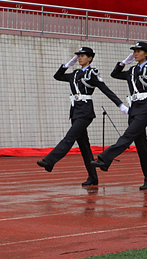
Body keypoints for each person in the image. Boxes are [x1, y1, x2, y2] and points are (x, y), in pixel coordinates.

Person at [92, 42, 147, 190]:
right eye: (134, 51)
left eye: (139, 51)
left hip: (145, 108)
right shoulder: (131, 70)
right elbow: (114, 74)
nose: (136, 54)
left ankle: (105, 159)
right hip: (134, 109)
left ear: (146, 53)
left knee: (128, 136)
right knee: (142, 148)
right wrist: (123, 63)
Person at [37, 47, 124, 186]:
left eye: (82, 56)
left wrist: (120, 105)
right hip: (75, 111)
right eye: (78, 56)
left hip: (85, 111)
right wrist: (67, 65)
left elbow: (105, 89)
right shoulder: (75, 73)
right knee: (84, 146)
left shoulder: (92, 73)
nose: (79, 58)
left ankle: (50, 161)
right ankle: (93, 177)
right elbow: (57, 76)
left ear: (90, 58)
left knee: (69, 137)